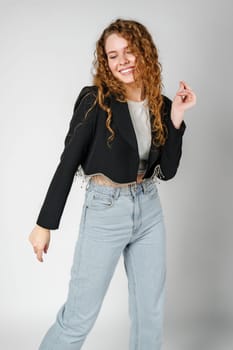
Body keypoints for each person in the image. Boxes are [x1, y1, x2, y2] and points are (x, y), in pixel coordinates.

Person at [28, 18, 196, 350]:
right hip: (106, 210)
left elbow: (168, 170)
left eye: (129, 51)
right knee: (78, 317)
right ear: (105, 62)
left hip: (149, 210)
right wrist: (44, 224)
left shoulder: (160, 104)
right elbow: (68, 161)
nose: (122, 62)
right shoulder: (96, 100)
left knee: (150, 313)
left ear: (143, 52)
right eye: (113, 55)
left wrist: (176, 117)